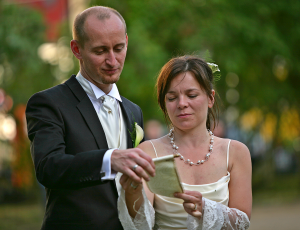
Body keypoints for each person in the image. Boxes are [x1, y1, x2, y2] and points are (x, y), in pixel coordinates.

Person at [25, 6, 155, 230]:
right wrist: (109, 160)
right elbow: (48, 167)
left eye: (119, 48)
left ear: (126, 41)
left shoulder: (134, 111)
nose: (112, 60)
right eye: (100, 51)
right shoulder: (49, 103)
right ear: (77, 49)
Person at [118, 55, 252, 229]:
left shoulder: (235, 152)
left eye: (191, 95)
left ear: (210, 98)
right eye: (172, 98)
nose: (182, 104)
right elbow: (141, 224)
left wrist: (207, 209)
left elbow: (242, 223)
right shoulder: (148, 151)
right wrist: (132, 192)